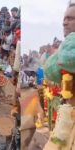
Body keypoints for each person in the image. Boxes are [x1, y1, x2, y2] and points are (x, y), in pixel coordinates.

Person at [43, 3, 75, 150]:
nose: (64, 22)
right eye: (64, 18)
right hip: (68, 112)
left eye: (70, 18)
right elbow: (51, 70)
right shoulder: (68, 45)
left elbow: (64, 60)